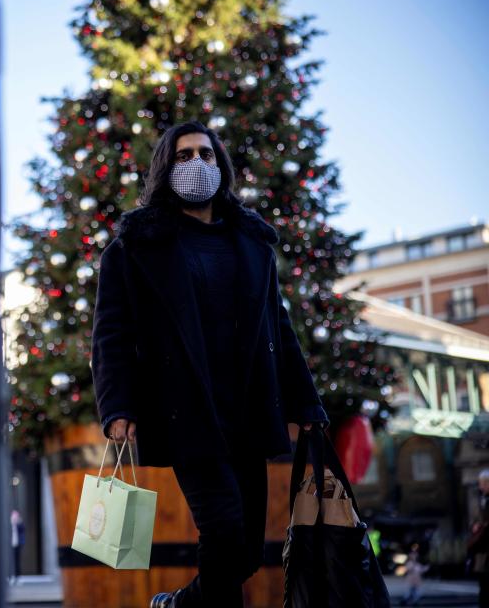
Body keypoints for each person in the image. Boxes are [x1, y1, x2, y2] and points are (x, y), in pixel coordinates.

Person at [91, 121, 328, 608]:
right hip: (186, 412)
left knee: (242, 555)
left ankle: (179, 604)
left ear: (221, 166)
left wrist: (306, 402)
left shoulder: (252, 244)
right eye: (183, 156)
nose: (195, 164)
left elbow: (278, 329)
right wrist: (117, 407)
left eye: (205, 154)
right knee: (222, 529)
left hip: (247, 411)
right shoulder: (136, 248)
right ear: (165, 167)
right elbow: (112, 333)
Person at [467, 469, 489, 607]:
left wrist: (480, 527)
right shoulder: (483, 500)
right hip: (483, 553)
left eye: (483, 483)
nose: (480, 486)